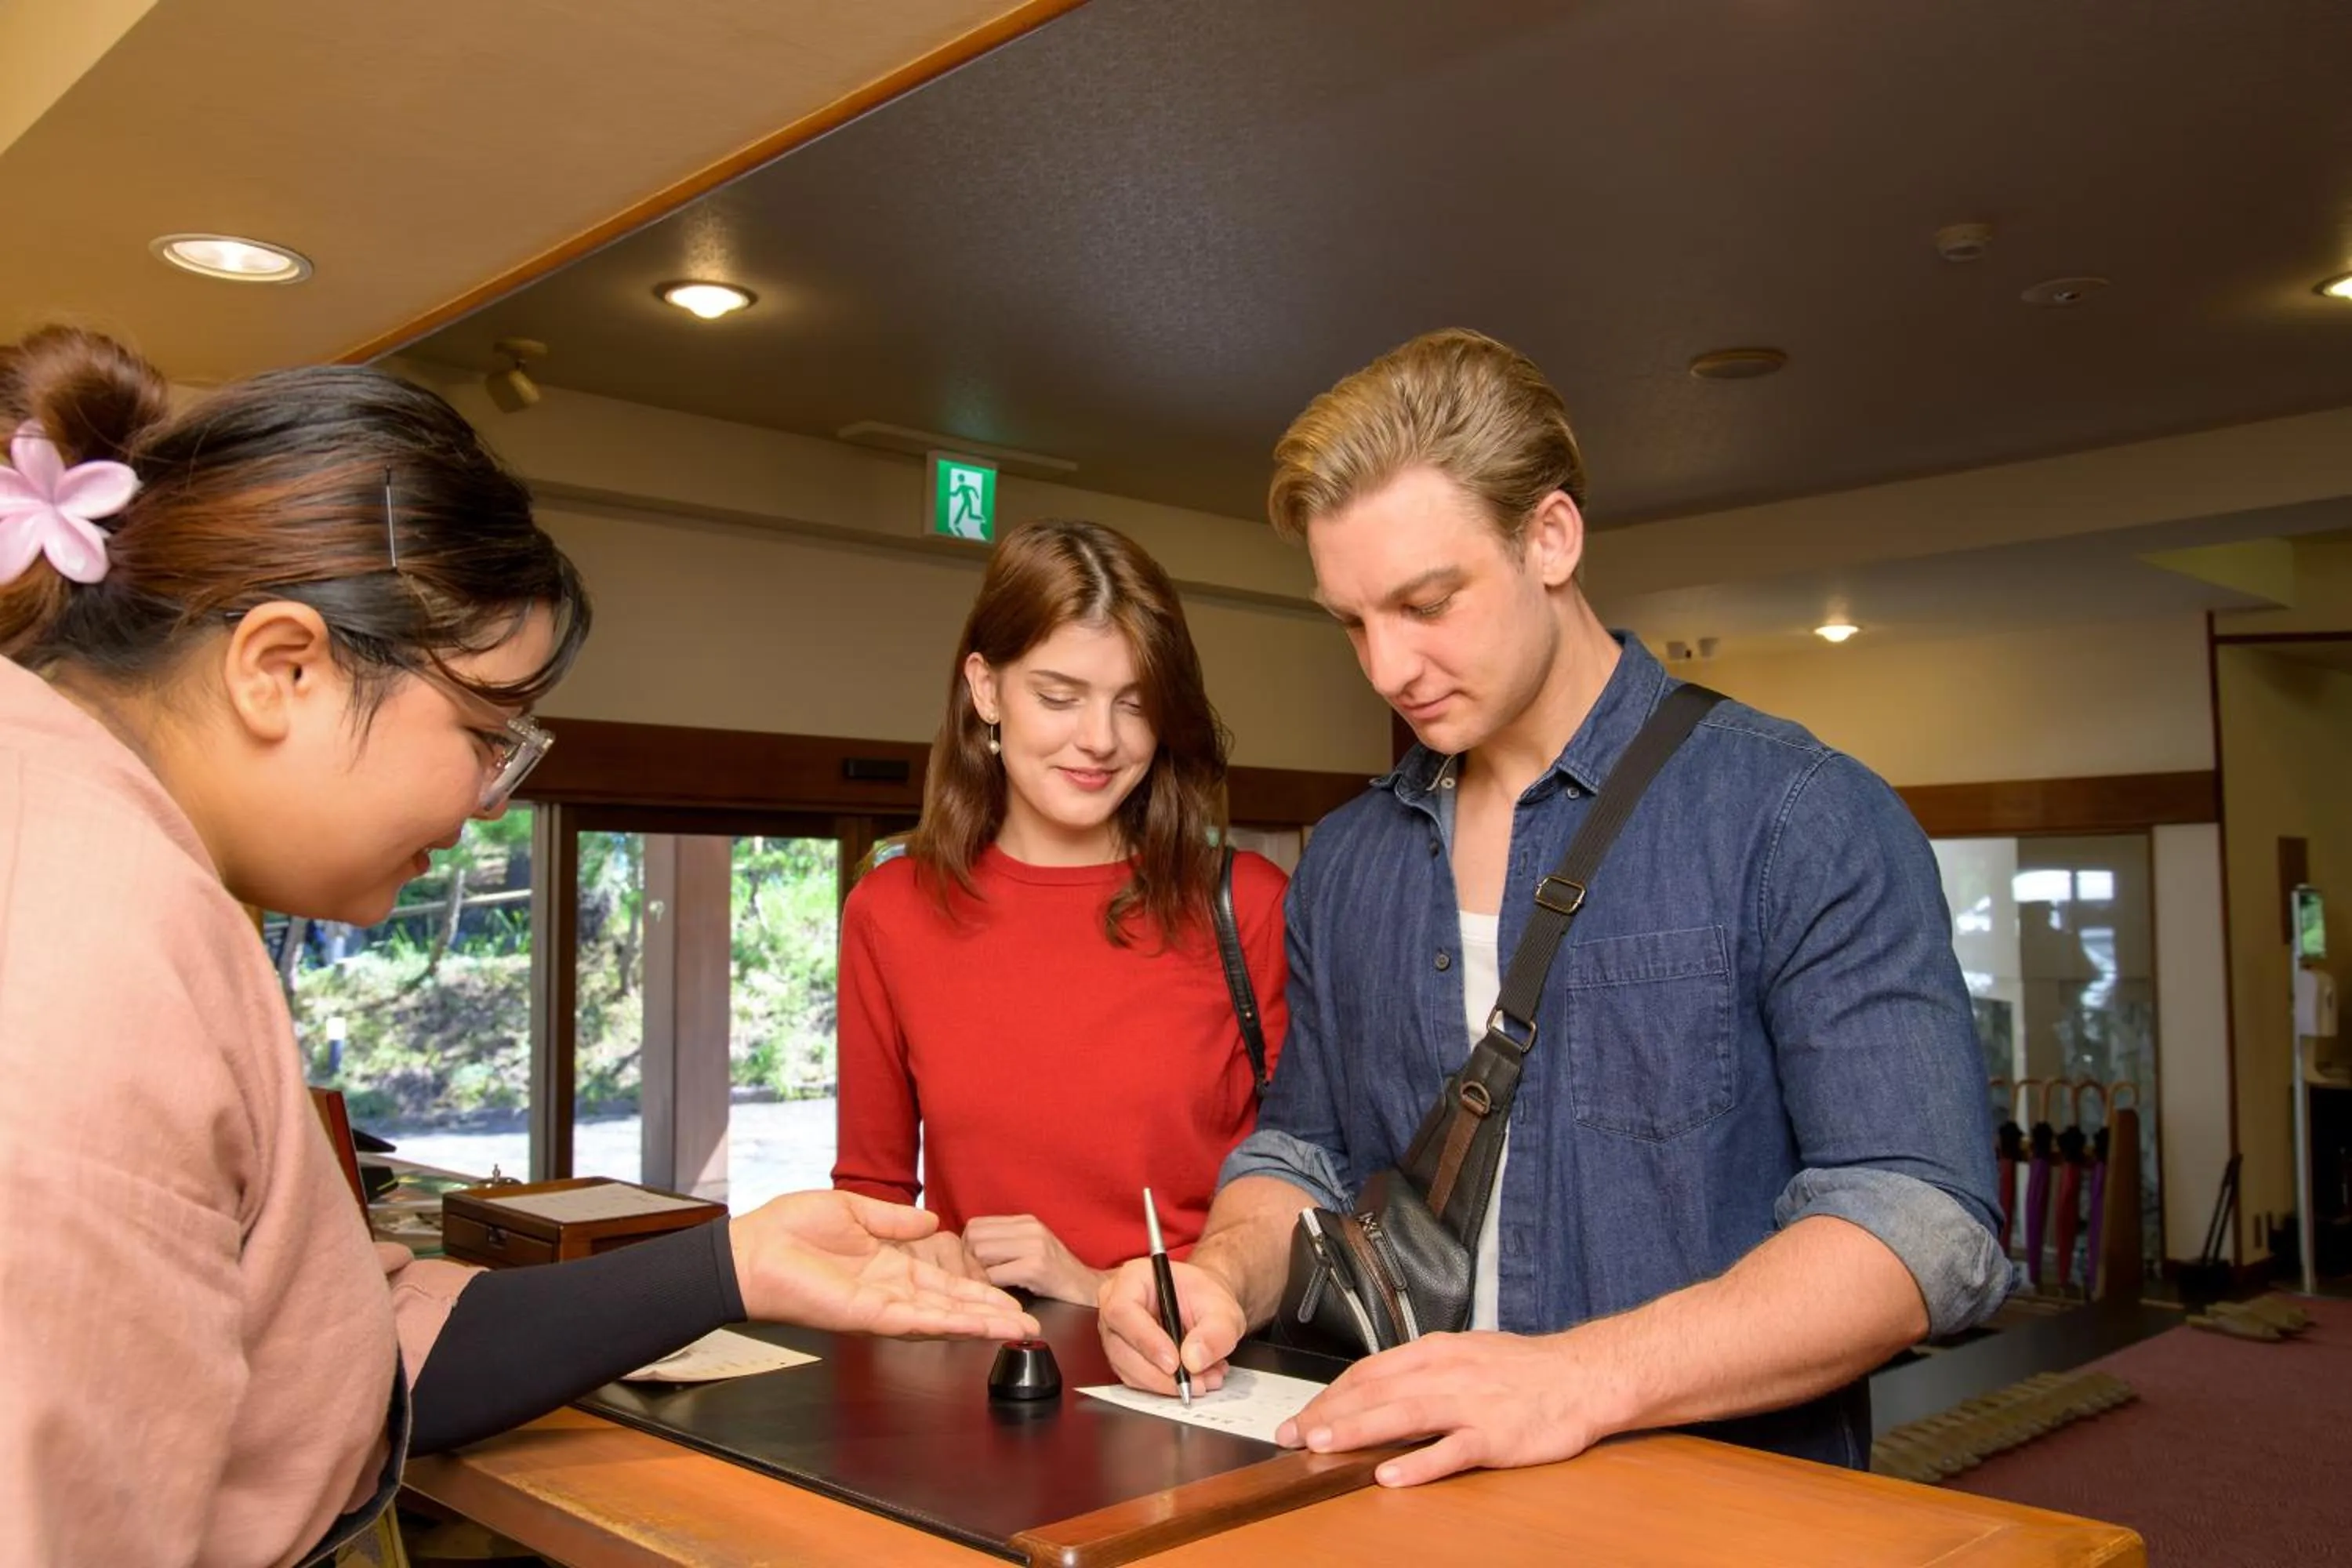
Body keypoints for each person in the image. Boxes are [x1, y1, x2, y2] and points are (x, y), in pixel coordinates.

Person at [0, 326, 1036, 1567]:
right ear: (283, 669)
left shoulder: (103, 852)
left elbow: (328, 1354)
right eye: (490, 728)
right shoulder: (87, 934)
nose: (492, 796)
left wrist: (732, 1263)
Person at [1098, 328, 2007, 1483]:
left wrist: (1574, 1379)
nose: (1387, 667)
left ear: (1552, 538)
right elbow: (1307, 1153)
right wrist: (1221, 1274)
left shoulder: (1799, 816)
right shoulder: (1353, 858)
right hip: (1401, 1493)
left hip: (1710, 1518)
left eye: (1428, 603)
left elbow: (1920, 1222)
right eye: (1353, 622)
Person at [833, 519, 1289, 1305]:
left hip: (1195, 1379)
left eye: (1134, 703)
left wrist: (1091, 1285)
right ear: (986, 689)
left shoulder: (1245, 905)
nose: (1100, 739)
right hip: (974, 1373)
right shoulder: (890, 910)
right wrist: (923, 1252)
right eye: (1058, 696)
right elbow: (872, 1196)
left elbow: (1305, 1193)